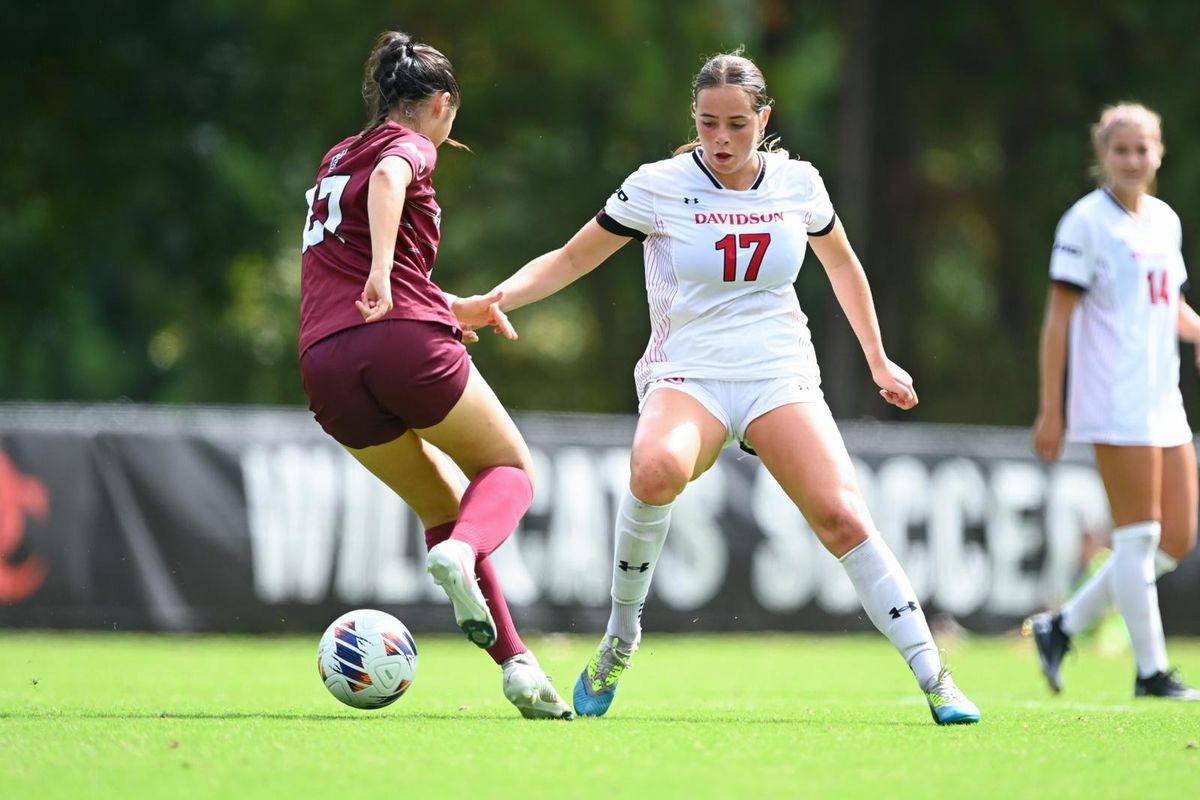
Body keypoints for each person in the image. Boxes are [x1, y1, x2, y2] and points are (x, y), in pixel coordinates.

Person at [485, 50, 980, 725]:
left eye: (738, 125)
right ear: (695, 119)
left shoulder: (798, 184)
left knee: (842, 515)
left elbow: (843, 266)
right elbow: (573, 258)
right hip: (688, 372)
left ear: (764, 118)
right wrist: (496, 300)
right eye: (709, 123)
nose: (722, 140)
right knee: (655, 468)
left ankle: (937, 678)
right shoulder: (657, 185)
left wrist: (878, 359)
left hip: (778, 372)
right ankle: (619, 639)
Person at [297, 30, 573, 719]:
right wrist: (387, 275)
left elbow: (350, 255)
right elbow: (394, 177)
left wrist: (455, 303)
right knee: (509, 470)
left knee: (445, 509)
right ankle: (463, 553)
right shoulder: (409, 144)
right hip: (400, 341)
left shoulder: (337, 156)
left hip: (325, 365)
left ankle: (517, 667)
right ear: (442, 104)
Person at [1029, 102, 1200, 701]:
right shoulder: (1085, 223)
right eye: (1120, 149)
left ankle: (1062, 625)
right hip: (1113, 398)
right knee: (1139, 538)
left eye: (1142, 148)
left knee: (1176, 537)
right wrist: (1053, 407)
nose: (1132, 159)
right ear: (1102, 155)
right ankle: (1151, 672)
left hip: (1162, 396)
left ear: (1159, 153)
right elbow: (1058, 319)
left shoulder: (1164, 221)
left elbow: (1166, 304)